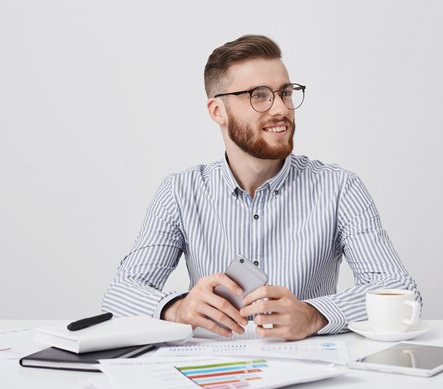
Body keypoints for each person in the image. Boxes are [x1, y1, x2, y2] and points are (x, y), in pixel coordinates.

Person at [102, 34, 421, 341]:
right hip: (215, 372)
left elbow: (399, 288)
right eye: (259, 95)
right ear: (217, 111)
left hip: (311, 373)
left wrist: (314, 314)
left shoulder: (340, 188)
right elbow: (120, 294)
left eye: (285, 93)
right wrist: (178, 308)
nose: (281, 109)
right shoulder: (180, 191)